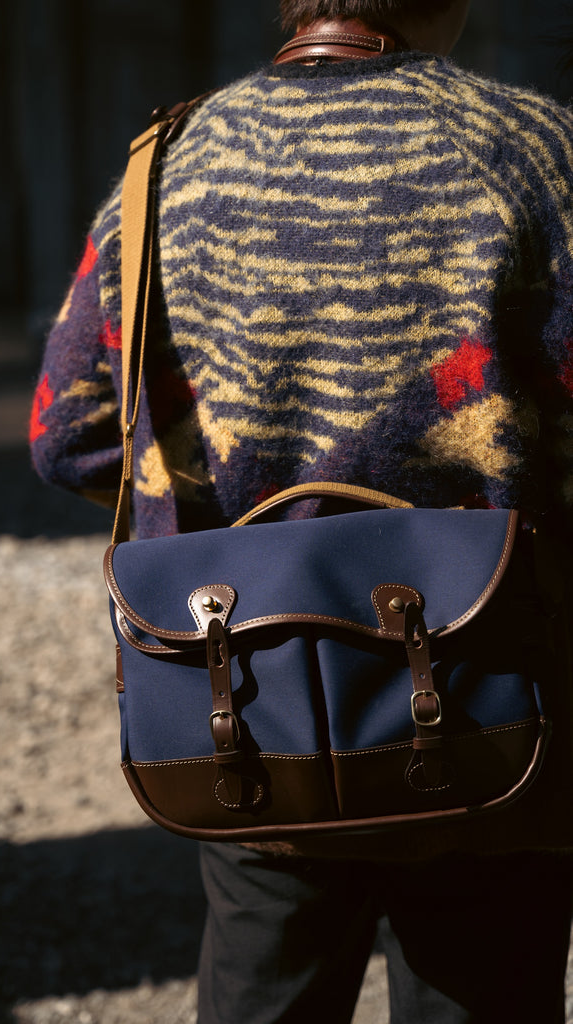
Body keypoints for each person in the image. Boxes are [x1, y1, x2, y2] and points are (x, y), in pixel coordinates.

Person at [30, 1, 573, 1020]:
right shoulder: (533, 148)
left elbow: (66, 434)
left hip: (241, 694)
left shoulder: (162, 170)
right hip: (492, 683)